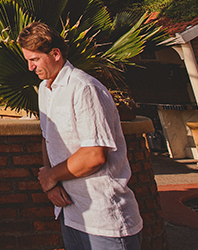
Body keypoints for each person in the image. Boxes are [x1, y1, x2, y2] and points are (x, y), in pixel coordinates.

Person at [18, 21, 143, 250]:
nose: (30, 67)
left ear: (55, 54)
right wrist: (51, 184)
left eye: (34, 59)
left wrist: (50, 177)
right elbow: (47, 138)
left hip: (104, 219)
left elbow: (94, 155)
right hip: (70, 213)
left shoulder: (84, 88)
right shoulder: (45, 90)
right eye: (28, 60)